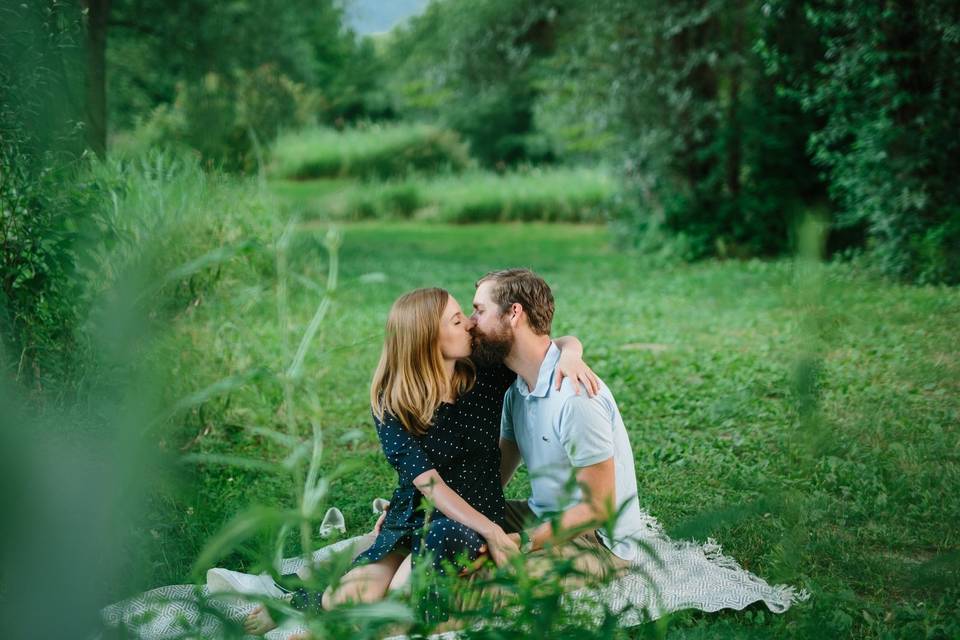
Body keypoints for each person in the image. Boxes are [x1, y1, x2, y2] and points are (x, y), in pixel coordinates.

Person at [244, 287, 597, 635]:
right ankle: (301, 603)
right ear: (428, 338)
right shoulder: (391, 402)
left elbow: (544, 346)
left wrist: (572, 353)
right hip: (417, 511)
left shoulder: (484, 371)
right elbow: (429, 483)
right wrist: (493, 532)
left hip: (468, 519)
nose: (470, 326)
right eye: (457, 321)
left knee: (403, 584)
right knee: (352, 593)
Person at [469, 268, 648, 583]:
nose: (472, 322)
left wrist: (520, 542)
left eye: (479, 310)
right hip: (541, 514)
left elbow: (597, 508)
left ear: (514, 313)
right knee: (446, 532)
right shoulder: (519, 389)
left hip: (597, 541)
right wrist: (434, 506)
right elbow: (493, 476)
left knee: (484, 584)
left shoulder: (575, 400)